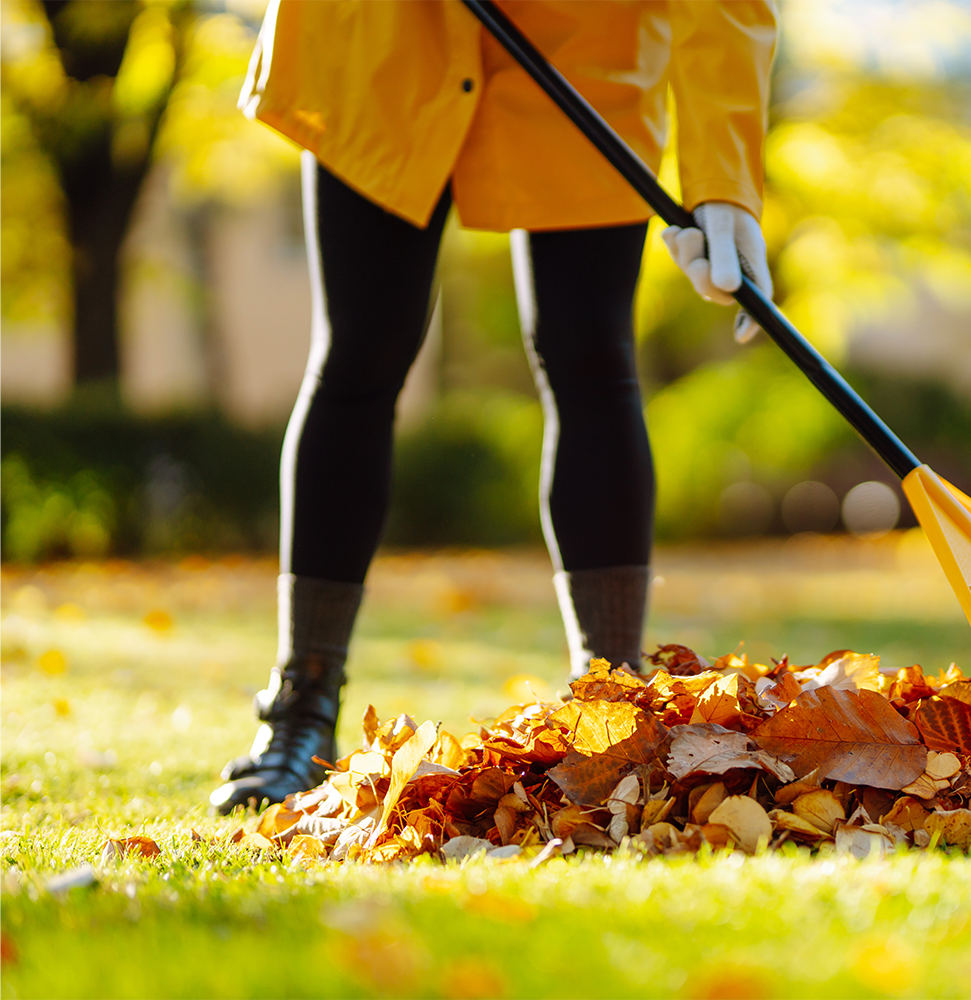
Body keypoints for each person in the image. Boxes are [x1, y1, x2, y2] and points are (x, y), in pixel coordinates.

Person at [211, 0, 777, 813]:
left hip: (588, 46)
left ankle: (611, 708)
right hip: (387, 40)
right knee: (364, 348)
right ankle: (299, 707)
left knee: (591, 354)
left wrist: (724, 181)